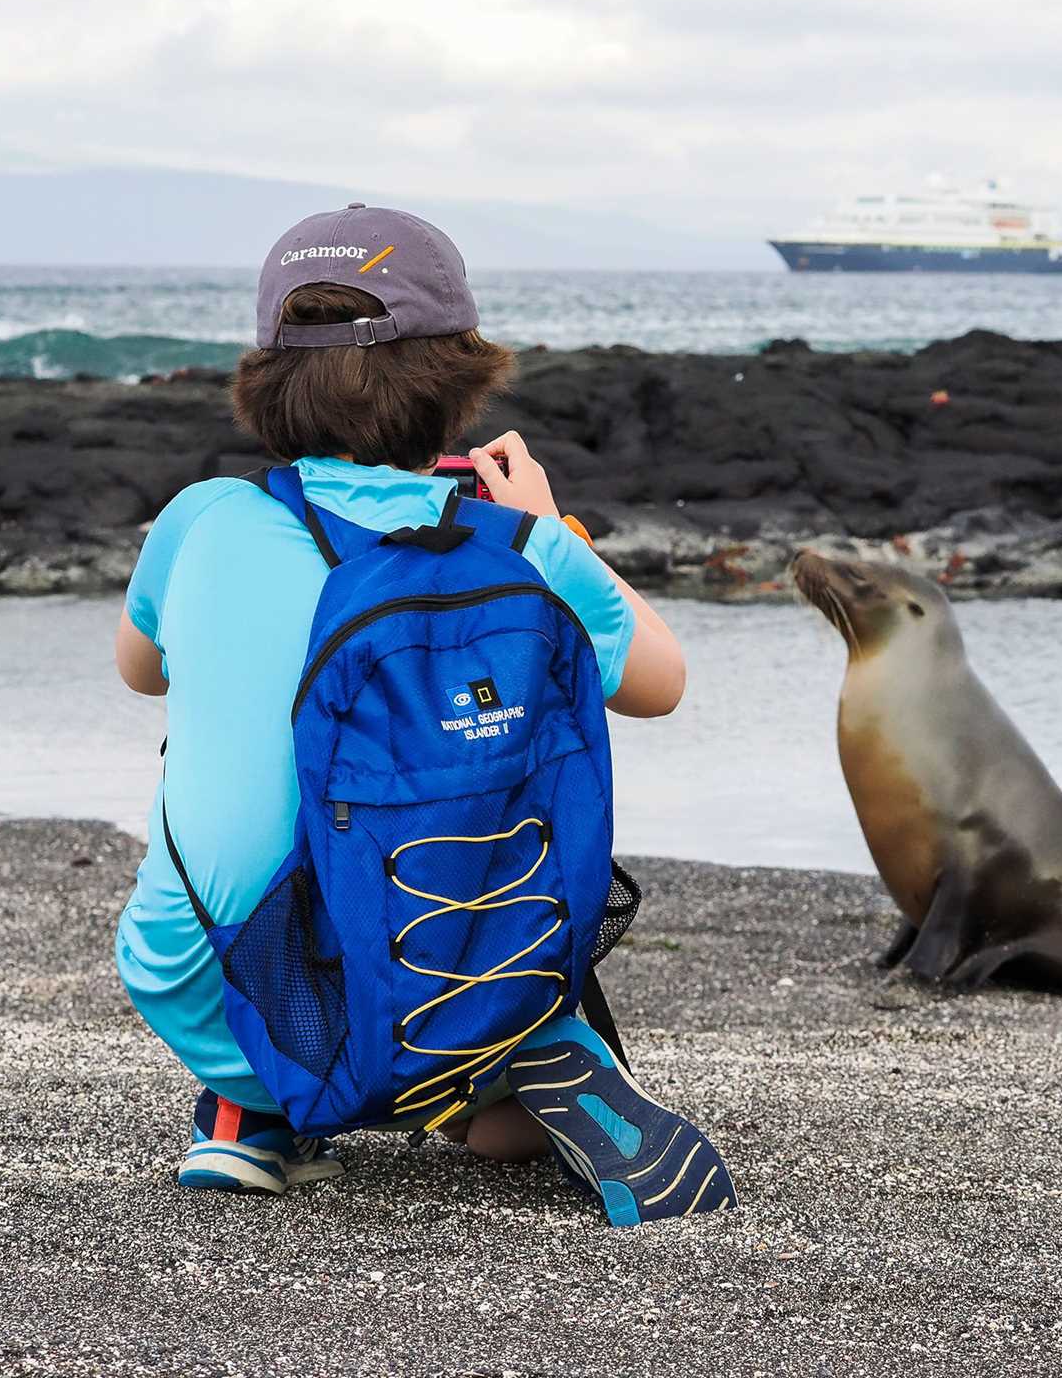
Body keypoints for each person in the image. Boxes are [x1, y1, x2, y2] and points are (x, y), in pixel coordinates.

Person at [113, 204, 703, 1216]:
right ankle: (526, 1063)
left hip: (198, 977)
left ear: (268, 382)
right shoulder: (516, 546)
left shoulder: (201, 518)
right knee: (477, 814)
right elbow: (662, 683)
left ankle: (247, 1112)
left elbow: (141, 672)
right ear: (458, 385)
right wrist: (548, 528)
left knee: (226, 767)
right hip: (435, 989)